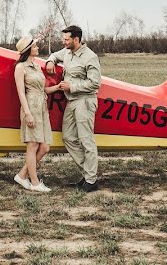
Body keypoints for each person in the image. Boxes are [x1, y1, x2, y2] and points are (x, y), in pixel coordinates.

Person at [45, 25, 102, 192]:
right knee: (68, 137)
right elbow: (56, 55)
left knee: (86, 140)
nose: (64, 42)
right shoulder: (67, 52)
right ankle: (88, 174)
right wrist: (50, 60)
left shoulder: (90, 57)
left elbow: (95, 83)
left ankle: (90, 180)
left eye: (66, 39)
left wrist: (73, 86)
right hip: (72, 102)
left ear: (76, 39)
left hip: (84, 100)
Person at [13, 34, 60, 192]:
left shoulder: (36, 66)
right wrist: (27, 114)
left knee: (45, 147)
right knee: (33, 145)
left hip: (41, 107)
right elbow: (21, 93)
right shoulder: (20, 68)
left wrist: (58, 87)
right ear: (28, 50)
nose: (37, 47)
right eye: (34, 46)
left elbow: (43, 89)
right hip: (31, 107)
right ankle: (34, 183)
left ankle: (21, 175)